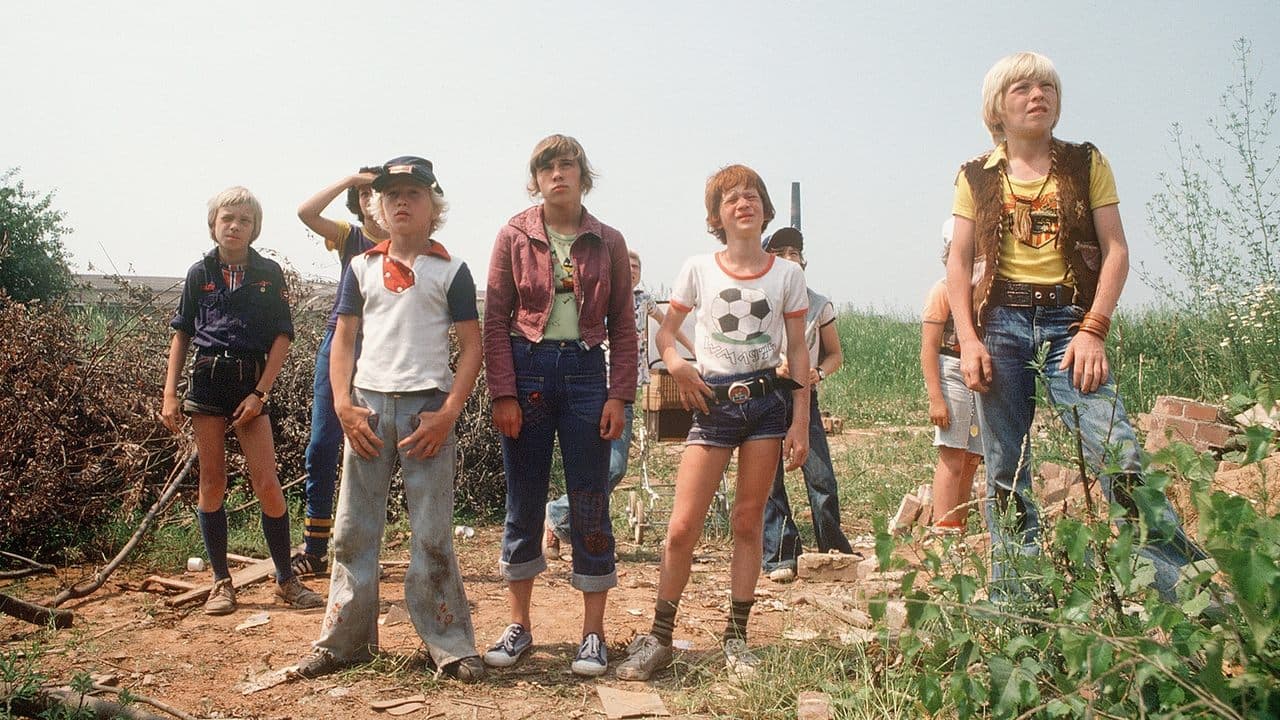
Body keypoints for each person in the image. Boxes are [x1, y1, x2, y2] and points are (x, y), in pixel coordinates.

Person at [946, 52, 1207, 603]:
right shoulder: (975, 174)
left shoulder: (1086, 163)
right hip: (999, 325)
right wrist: (967, 340)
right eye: (1022, 87)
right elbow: (959, 261)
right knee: (1006, 469)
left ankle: (1192, 597)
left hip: (1071, 324)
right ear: (997, 106)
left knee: (1119, 453)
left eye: (1047, 86)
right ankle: (1018, 603)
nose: (1038, 94)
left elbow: (1117, 251)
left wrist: (1094, 330)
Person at [295, 156, 485, 682]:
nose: (402, 201)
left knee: (432, 531)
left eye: (413, 193)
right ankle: (344, 643)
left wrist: (448, 413)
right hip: (369, 411)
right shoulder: (360, 267)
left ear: (433, 206)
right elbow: (344, 340)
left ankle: (450, 645)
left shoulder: (451, 270)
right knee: (353, 530)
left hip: (427, 413)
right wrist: (342, 403)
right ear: (376, 206)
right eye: (391, 194)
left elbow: (472, 347)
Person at [617, 165, 810, 680]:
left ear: (765, 210)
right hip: (712, 406)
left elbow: (797, 350)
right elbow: (667, 333)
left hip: (765, 406)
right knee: (682, 527)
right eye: (731, 199)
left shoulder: (787, 276)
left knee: (748, 521)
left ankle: (737, 638)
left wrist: (800, 423)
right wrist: (678, 365)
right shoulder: (698, 269)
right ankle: (660, 638)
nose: (743, 203)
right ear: (716, 217)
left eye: (752, 196)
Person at [482, 134, 637, 678]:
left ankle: (593, 634)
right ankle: (519, 625)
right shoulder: (514, 234)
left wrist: (619, 395)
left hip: (586, 373)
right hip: (527, 370)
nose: (557, 174)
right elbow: (494, 320)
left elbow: (623, 325)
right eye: (547, 167)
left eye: (567, 165)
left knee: (591, 501)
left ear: (582, 176)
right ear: (536, 180)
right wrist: (503, 392)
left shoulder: (607, 241)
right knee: (523, 498)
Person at [161, 186, 324, 616]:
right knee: (212, 482)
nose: (234, 226)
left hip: (250, 386)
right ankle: (221, 582)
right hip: (207, 384)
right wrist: (169, 394)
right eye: (227, 219)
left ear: (255, 228)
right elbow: (182, 333)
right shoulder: (200, 273)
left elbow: (282, 336)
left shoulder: (268, 274)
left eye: (244, 221)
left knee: (267, 483)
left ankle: (286, 580)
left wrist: (260, 393)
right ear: (213, 224)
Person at [543, 249, 693, 558]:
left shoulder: (644, 300)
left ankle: (559, 514)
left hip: (623, 392)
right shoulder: (598, 297)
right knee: (595, 464)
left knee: (615, 467)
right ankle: (574, 526)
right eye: (628, 265)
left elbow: (669, 327)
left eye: (637, 266)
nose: (632, 270)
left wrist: (693, 350)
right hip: (592, 386)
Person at [292, 167, 387, 577]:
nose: (369, 199)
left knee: (372, 446)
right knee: (323, 443)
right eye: (362, 194)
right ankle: (314, 547)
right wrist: (349, 180)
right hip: (341, 342)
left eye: (376, 191)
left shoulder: (407, 243)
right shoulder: (350, 237)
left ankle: (362, 547)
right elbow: (306, 213)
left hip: (384, 345)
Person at [759, 226, 853, 583]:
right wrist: (773, 368)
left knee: (820, 475)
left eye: (794, 252)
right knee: (769, 479)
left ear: (803, 261)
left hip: (804, 396)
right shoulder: (757, 302)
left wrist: (818, 373)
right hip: (767, 395)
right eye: (780, 253)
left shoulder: (818, 304)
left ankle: (833, 550)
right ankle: (780, 555)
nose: (789, 258)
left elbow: (835, 354)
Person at [922, 218, 982, 533]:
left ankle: (960, 525)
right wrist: (936, 398)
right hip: (952, 370)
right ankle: (944, 527)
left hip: (980, 375)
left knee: (972, 458)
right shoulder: (942, 291)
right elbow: (929, 349)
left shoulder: (984, 291)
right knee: (952, 456)